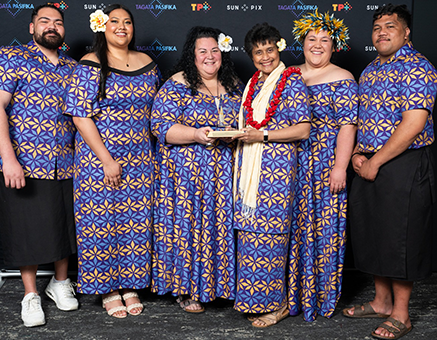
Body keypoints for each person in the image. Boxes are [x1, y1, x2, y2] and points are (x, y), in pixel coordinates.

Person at [342, 4, 437, 340]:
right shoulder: (369, 71)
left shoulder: (417, 68)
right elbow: (362, 121)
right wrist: (357, 153)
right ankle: (381, 301)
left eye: (390, 26)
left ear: (406, 31)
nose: (382, 33)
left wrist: (376, 160)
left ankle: (401, 314)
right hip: (368, 161)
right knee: (374, 233)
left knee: (400, 237)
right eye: (377, 28)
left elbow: (413, 124)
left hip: (403, 163)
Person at [0, 3, 78, 327]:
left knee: (65, 226)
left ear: (63, 30)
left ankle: (60, 283)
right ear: (31, 27)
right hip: (24, 161)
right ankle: (30, 295)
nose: (52, 26)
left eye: (58, 22)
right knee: (26, 231)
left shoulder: (74, 67)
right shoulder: (10, 58)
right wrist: (9, 158)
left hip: (67, 162)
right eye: (44, 21)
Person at [62, 4, 159, 318]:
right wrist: (106, 159)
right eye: (114, 21)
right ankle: (107, 288)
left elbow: (158, 112)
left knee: (136, 223)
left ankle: (130, 283)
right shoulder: (90, 64)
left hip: (142, 160)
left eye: (127, 22)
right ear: (102, 27)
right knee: (101, 225)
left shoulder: (148, 63)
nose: (122, 27)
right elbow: (80, 114)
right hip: (99, 160)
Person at [151, 26, 243, 313]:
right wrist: (196, 134)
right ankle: (186, 289)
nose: (209, 56)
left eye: (215, 50)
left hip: (224, 175)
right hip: (187, 177)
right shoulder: (177, 84)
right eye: (202, 51)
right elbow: (160, 127)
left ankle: (219, 286)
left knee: (219, 228)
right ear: (192, 56)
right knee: (190, 230)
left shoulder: (234, 84)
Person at [231, 23, 310, 328]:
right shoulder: (254, 82)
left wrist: (262, 135)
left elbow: (303, 129)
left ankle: (279, 305)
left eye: (269, 49)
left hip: (276, 172)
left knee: (272, 239)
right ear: (251, 56)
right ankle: (254, 299)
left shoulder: (291, 81)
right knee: (251, 237)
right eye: (258, 52)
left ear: (279, 49)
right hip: (250, 169)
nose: (265, 56)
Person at [287, 10, 357, 322]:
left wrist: (340, 167)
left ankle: (319, 298)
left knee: (323, 230)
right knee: (292, 229)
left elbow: (347, 126)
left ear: (334, 45)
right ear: (302, 43)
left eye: (324, 40)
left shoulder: (342, 78)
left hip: (326, 163)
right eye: (311, 39)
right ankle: (289, 297)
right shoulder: (288, 74)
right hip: (289, 165)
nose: (317, 45)